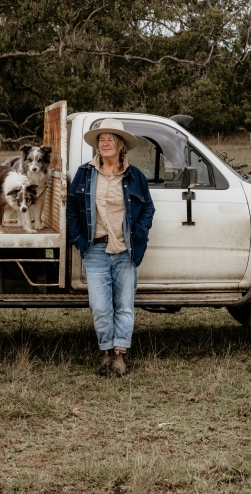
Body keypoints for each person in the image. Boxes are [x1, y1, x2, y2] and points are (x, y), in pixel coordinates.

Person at [66, 118, 155, 376]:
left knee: (125, 305)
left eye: (110, 139)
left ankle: (120, 355)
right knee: (100, 306)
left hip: (126, 250)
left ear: (120, 145)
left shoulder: (134, 176)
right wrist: (79, 240)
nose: (105, 143)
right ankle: (105, 352)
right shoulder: (85, 173)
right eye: (101, 139)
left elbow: (148, 207)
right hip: (95, 250)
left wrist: (139, 232)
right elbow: (72, 208)